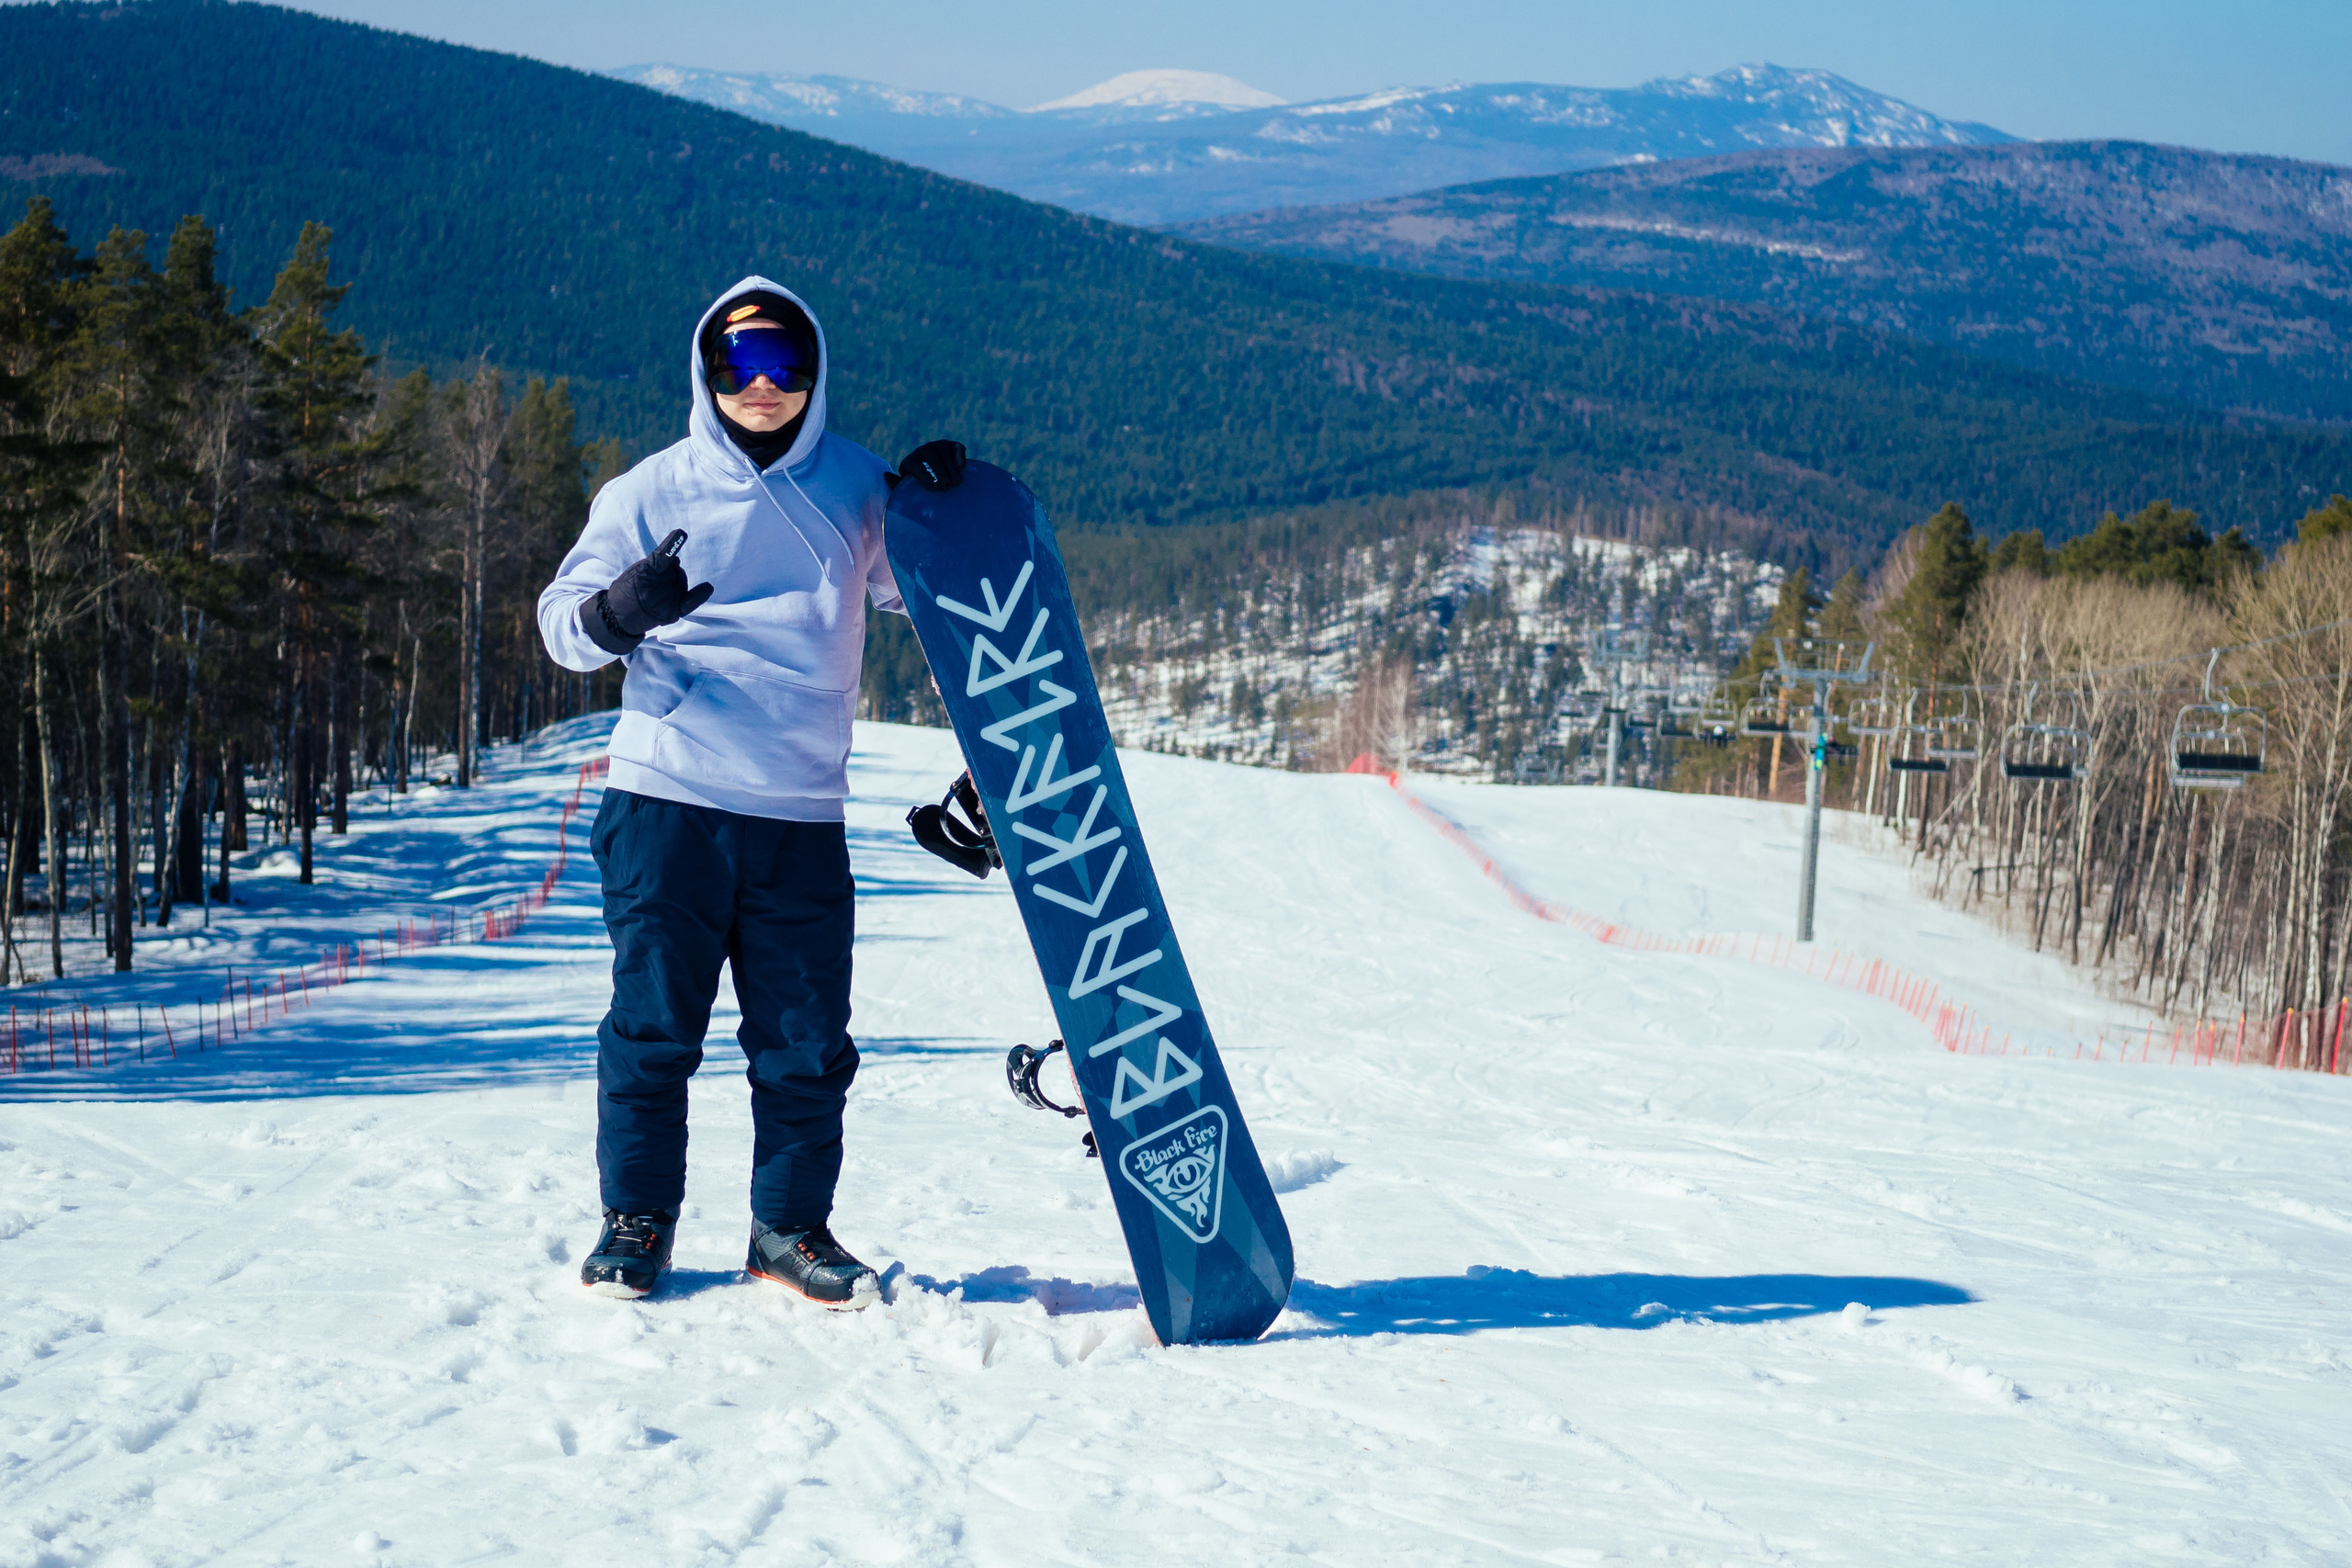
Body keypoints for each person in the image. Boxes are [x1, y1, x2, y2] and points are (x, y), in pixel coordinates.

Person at [537, 276, 966, 1307]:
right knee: (652, 1029)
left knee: (806, 1041)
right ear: (707, 372)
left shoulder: (860, 488)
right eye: (740, 365)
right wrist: (618, 611)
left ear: (812, 372)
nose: (762, 385)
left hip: (799, 808)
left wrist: (948, 515)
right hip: (668, 797)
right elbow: (558, 630)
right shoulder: (649, 490)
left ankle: (788, 1229)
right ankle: (634, 1224)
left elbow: (933, 603)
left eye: (783, 362)